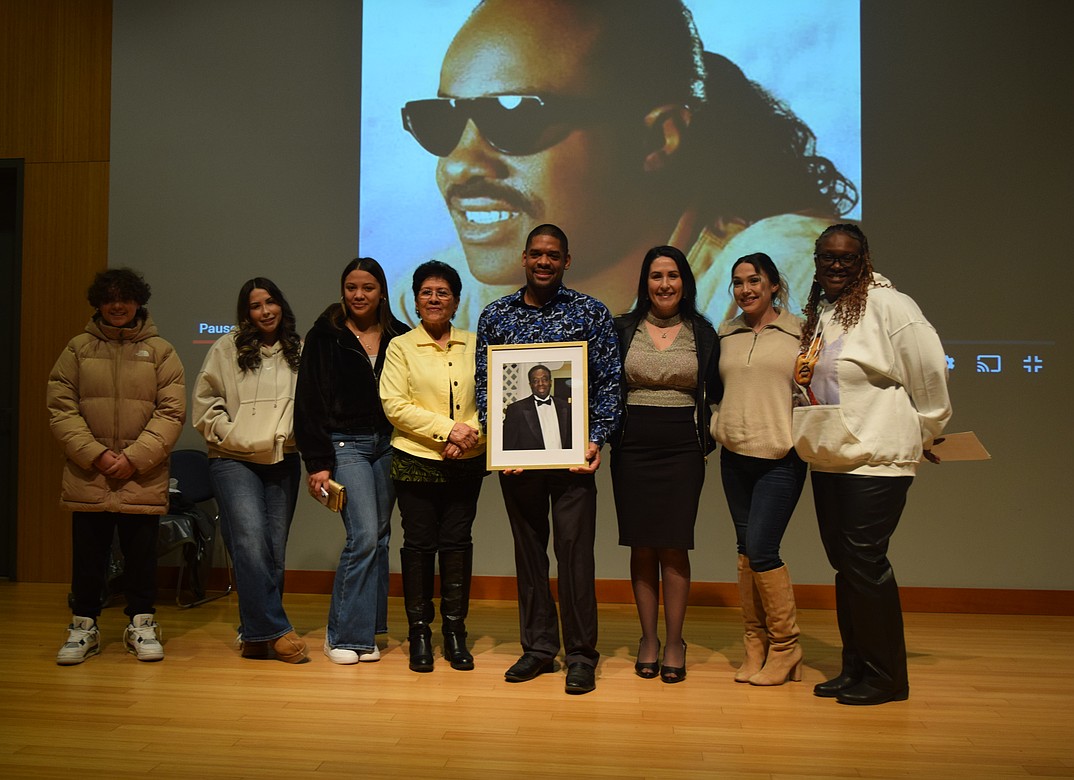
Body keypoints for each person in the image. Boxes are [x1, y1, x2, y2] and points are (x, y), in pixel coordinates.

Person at [392, 0, 858, 327]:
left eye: (516, 118)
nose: (457, 166)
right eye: (440, 122)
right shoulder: (452, 295)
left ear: (657, 137)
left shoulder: (786, 275)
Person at [793, 223, 951, 705]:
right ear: (816, 261)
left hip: (877, 460)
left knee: (865, 563)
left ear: (864, 259)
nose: (836, 265)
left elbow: (929, 376)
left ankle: (887, 677)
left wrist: (922, 432)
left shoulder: (891, 306)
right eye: (827, 257)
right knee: (848, 568)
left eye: (847, 257)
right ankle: (856, 666)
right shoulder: (826, 310)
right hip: (833, 458)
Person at [475, 223, 621, 695]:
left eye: (553, 255)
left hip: (575, 459)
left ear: (566, 261)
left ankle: (581, 655)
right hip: (519, 461)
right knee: (530, 555)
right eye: (536, 253)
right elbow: (485, 386)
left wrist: (595, 438)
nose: (543, 261)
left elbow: (608, 384)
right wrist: (500, 446)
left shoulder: (591, 313)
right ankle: (538, 648)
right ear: (523, 257)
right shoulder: (496, 315)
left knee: (575, 556)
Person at [47, 268, 185, 665]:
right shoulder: (77, 348)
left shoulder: (162, 351)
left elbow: (172, 412)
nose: (117, 305)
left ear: (139, 301)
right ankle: (83, 626)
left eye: (125, 298)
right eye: (109, 299)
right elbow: (61, 408)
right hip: (89, 473)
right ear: (98, 304)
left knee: (141, 555)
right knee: (88, 555)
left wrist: (134, 458)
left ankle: (142, 624)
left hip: (141, 473)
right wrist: (97, 455)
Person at [610, 245, 721, 684]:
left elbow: (716, 391)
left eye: (672, 275)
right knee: (642, 544)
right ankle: (648, 639)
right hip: (632, 447)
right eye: (656, 276)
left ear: (685, 282)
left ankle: (675, 640)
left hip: (683, 448)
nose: (665, 284)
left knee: (674, 545)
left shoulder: (704, 333)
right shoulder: (623, 328)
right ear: (645, 283)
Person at [294, 258, 410, 664]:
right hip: (346, 446)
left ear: (381, 292)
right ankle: (342, 634)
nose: (358, 295)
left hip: (389, 445)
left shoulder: (400, 336)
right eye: (351, 287)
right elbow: (308, 403)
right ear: (342, 291)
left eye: (367, 287)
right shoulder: (325, 336)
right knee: (361, 536)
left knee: (379, 538)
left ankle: (368, 630)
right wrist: (318, 463)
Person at [192, 278, 307, 664]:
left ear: (281, 305)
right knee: (249, 542)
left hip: (282, 457)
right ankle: (276, 629)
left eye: (271, 302)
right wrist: (232, 434)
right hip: (231, 458)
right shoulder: (226, 347)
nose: (265, 311)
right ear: (246, 313)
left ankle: (256, 635)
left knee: (273, 550)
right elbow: (205, 402)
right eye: (256, 306)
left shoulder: (299, 350)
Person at [379, 260, 486, 673]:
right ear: (417, 300)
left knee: (458, 542)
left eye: (443, 292)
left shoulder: (475, 344)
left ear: (456, 300)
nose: (435, 299)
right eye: (427, 292)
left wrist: (468, 435)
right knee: (420, 544)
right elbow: (394, 404)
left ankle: (455, 632)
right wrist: (448, 431)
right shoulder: (400, 347)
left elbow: (494, 397)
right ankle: (420, 632)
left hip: (468, 459)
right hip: (415, 457)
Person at [711, 253, 807, 685]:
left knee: (764, 548)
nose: (745, 289)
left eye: (755, 281)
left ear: (773, 286)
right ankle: (756, 643)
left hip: (780, 459)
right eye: (738, 282)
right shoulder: (725, 333)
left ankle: (786, 647)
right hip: (735, 457)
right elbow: (715, 391)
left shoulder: (799, 333)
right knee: (746, 550)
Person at [501, 364, 572, 450]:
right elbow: (508, 445)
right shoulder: (516, 409)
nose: (540, 384)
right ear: (530, 385)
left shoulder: (566, 407)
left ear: (550, 382)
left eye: (544, 379)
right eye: (535, 381)